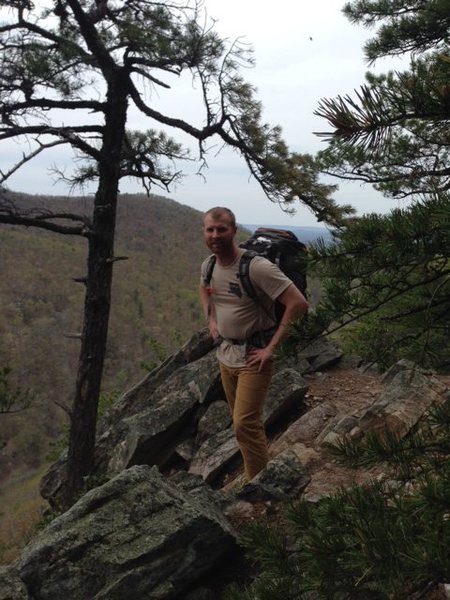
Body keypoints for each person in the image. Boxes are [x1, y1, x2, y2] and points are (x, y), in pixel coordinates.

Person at [199, 207, 309, 481]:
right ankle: (258, 476)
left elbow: (298, 304)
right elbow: (204, 288)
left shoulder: (256, 267)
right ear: (204, 232)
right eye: (210, 230)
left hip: (254, 356)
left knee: (245, 424)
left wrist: (271, 348)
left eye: (222, 229)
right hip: (226, 355)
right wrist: (210, 318)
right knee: (245, 424)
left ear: (234, 231)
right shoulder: (209, 265)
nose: (215, 235)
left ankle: (259, 484)